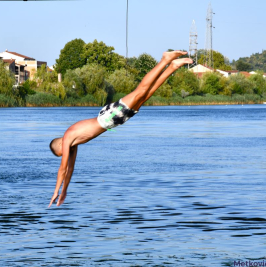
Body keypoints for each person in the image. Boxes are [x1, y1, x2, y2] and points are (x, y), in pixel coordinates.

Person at [48, 51, 193, 207]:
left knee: (141, 91)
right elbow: (69, 170)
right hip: (113, 121)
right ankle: (172, 67)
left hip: (108, 117)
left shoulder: (68, 136)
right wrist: (64, 191)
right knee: (145, 96)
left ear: (59, 145)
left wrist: (56, 191)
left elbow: (62, 169)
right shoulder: (73, 144)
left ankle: (164, 60)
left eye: (62, 152)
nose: (65, 152)